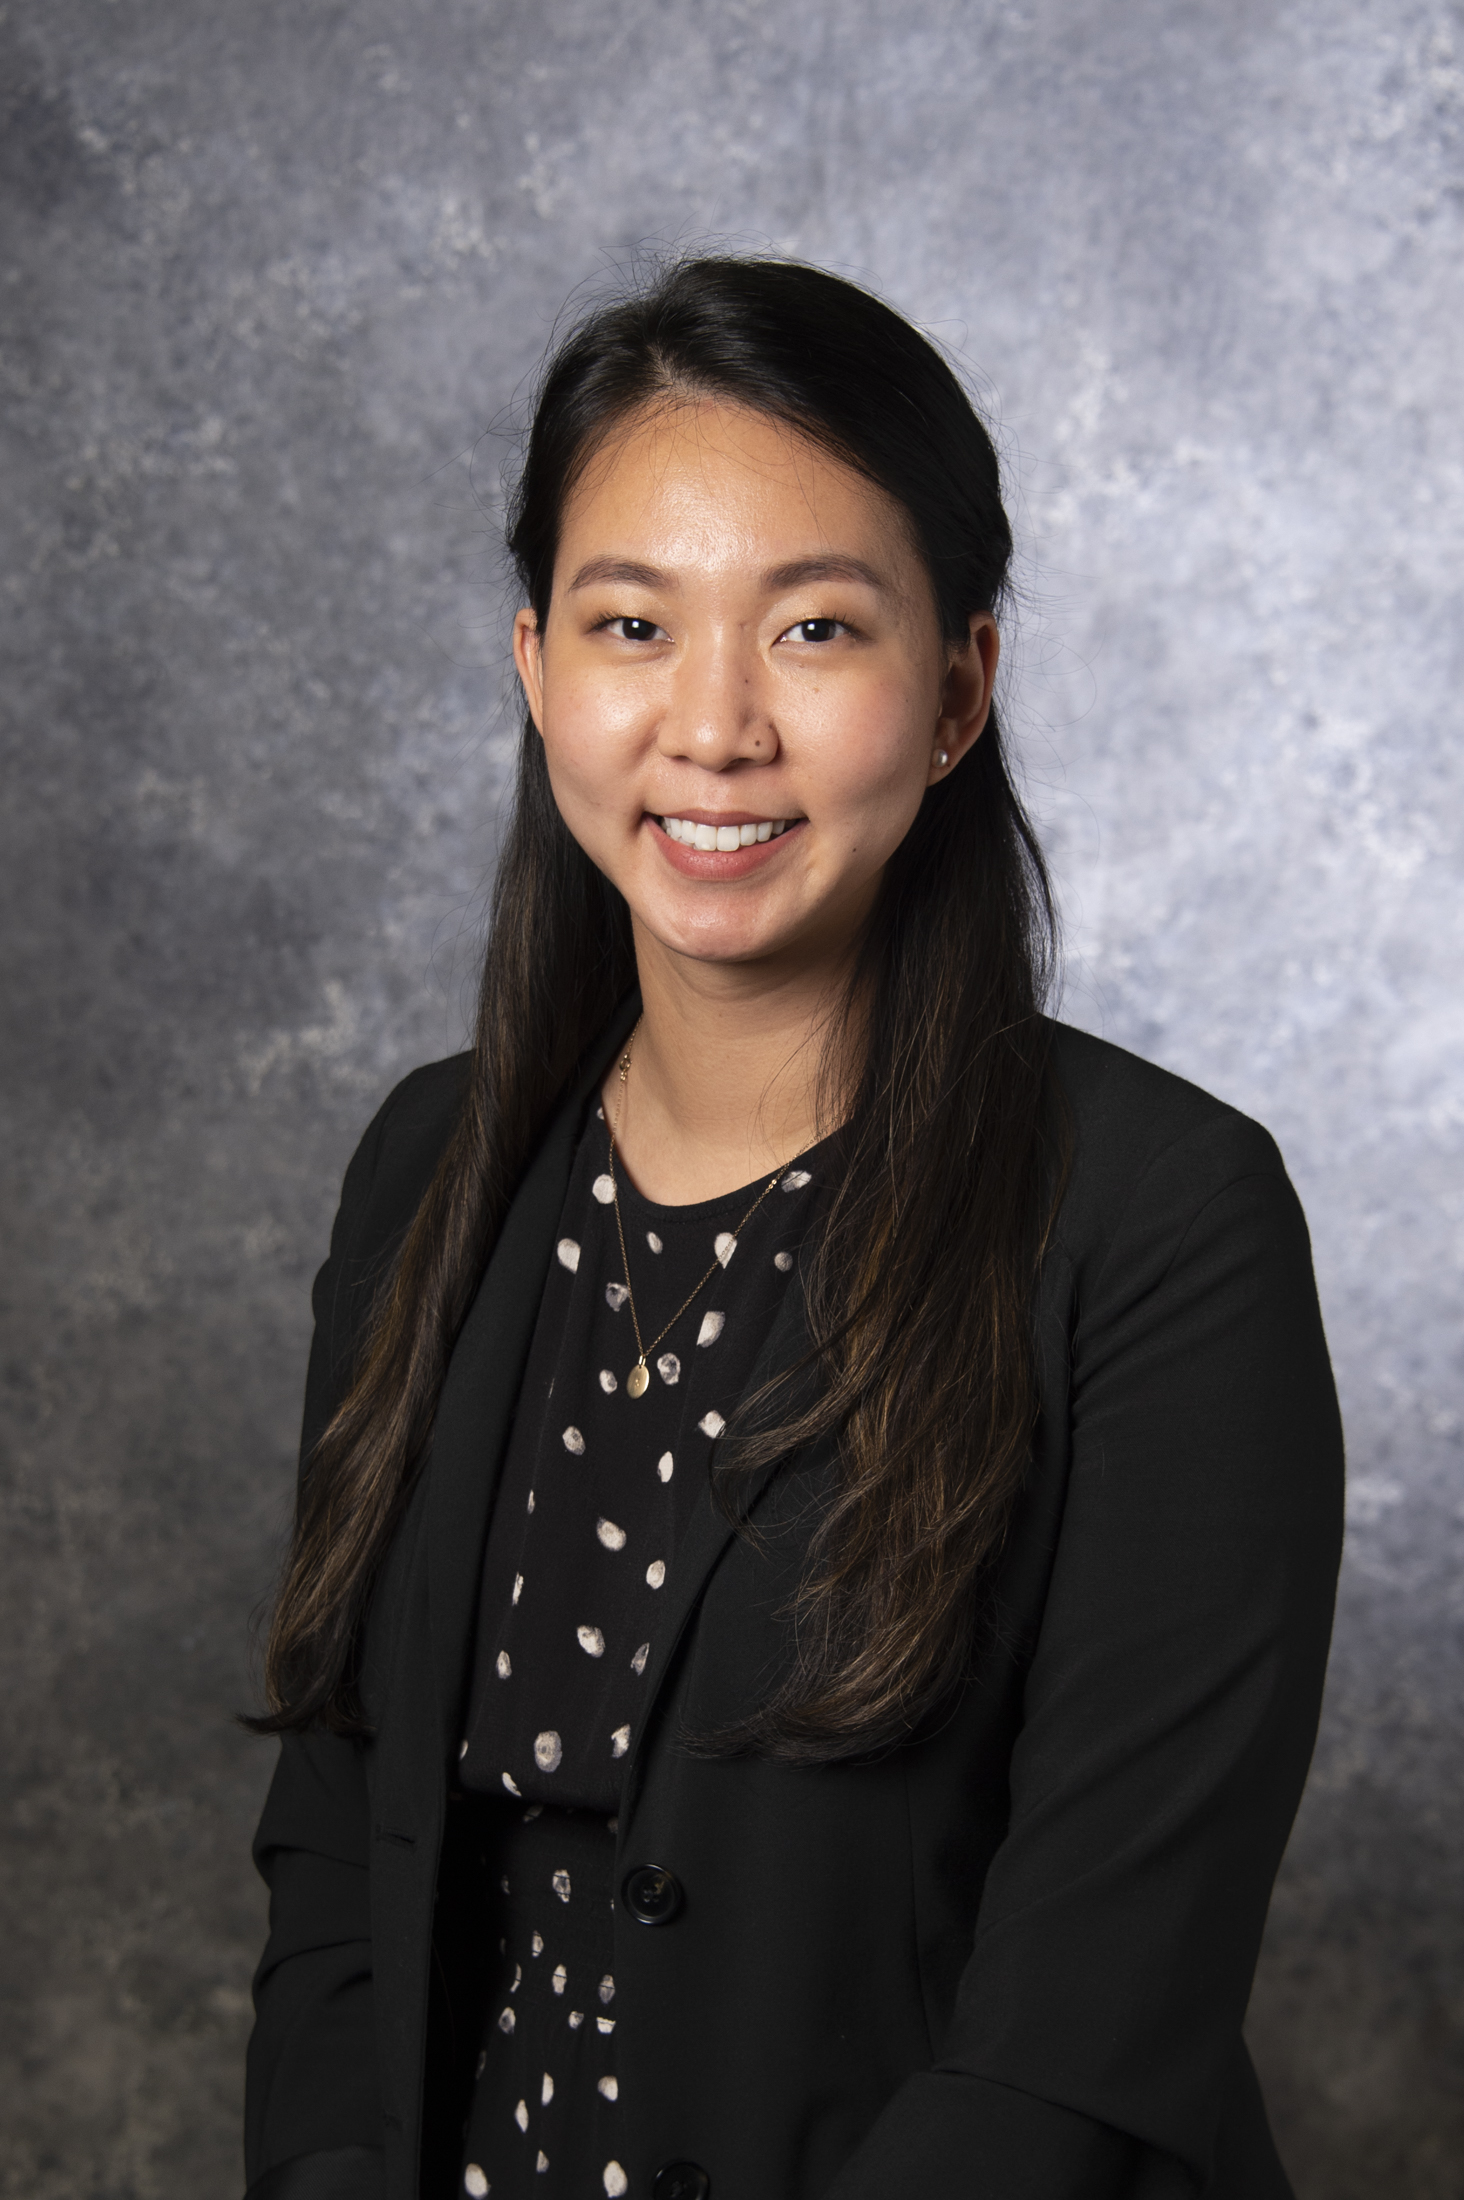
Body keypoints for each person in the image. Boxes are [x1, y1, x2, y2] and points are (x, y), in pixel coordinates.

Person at [242, 256, 1343, 2200]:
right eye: (631, 623)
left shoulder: (1167, 1221)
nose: (715, 724)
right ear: (531, 665)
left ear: (956, 690)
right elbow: (338, 1842)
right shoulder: (430, 1164)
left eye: (818, 625)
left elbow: (1081, 2040)